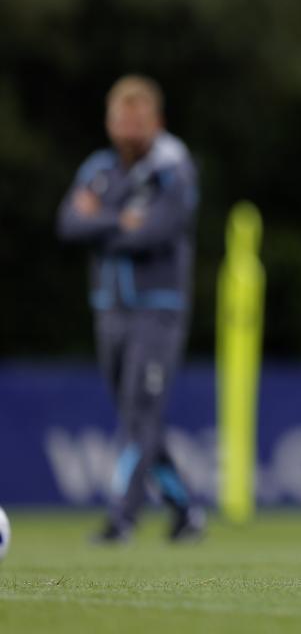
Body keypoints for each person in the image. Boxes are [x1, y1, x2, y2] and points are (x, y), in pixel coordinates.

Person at [56, 75, 204, 543]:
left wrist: (99, 219)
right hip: (110, 308)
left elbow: (155, 233)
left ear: (156, 122)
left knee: (139, 410)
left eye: (137, 119)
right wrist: (119, 218)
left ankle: (121, 516)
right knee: (137, 413)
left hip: (157, 311)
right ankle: (184, 510)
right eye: (120, 117)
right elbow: (68, 225)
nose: (127, 127)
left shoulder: (172, 167)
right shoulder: (98, 168)